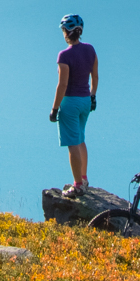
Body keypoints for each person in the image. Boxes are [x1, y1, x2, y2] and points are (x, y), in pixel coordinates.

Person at [49, 13, 98, 197]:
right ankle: (83, 179)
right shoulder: (91, 50)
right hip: (86, 101)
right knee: (81, 139)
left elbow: (62, 84)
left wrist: (54, 109)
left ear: (66, 32)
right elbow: (95, 76)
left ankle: (77, 185)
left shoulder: (64, 55)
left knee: (72, 144)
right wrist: (93, 96)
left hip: (70, 103)